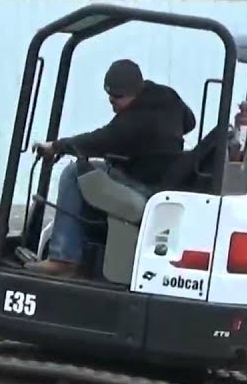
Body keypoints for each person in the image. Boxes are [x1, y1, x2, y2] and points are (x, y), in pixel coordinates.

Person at [25, 59, 196, 277]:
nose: (112, 102)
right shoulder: (167, 96)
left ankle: (63, 258)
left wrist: (57, 146)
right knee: (96, 171)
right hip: (163, 180)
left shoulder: (133, 122)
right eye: (109, 96)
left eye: (117, 97)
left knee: (74, 173)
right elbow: (190, 122)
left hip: (143, 185)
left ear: (134, 92)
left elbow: (99, 140)